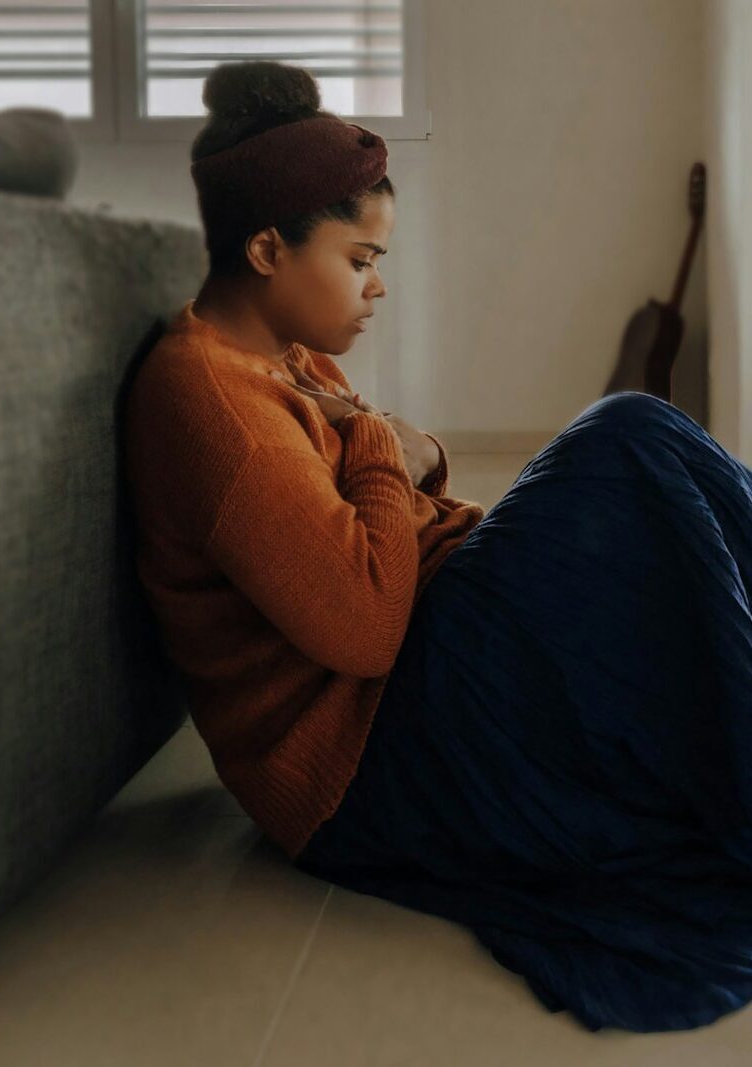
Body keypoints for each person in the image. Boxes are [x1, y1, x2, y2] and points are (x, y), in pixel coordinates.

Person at [122, 60, 752, 1034]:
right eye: (360, 257)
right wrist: (381, 442)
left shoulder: (284, 358)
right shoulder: (212, 405)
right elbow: (366, 626)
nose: (376, 287)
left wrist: (396, 455)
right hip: (368, 757)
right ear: (263, 248)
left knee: (643, 480)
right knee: (626, 439)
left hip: (422, 658)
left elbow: (404, 492)